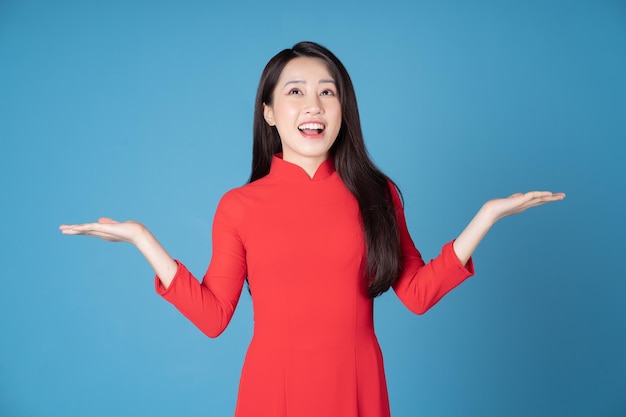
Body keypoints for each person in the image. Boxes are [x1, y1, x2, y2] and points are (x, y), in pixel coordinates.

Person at [60, 41, 565, 417]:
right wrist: (143, 240)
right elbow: (214, 316)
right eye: (296, 92)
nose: (314, 105)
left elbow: (415, 293)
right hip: (270, 395)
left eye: (328, 92)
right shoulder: (239, 206)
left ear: (343, 110)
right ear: (269, 112)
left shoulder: (376, 193)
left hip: (359, 390)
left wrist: (487, 218)